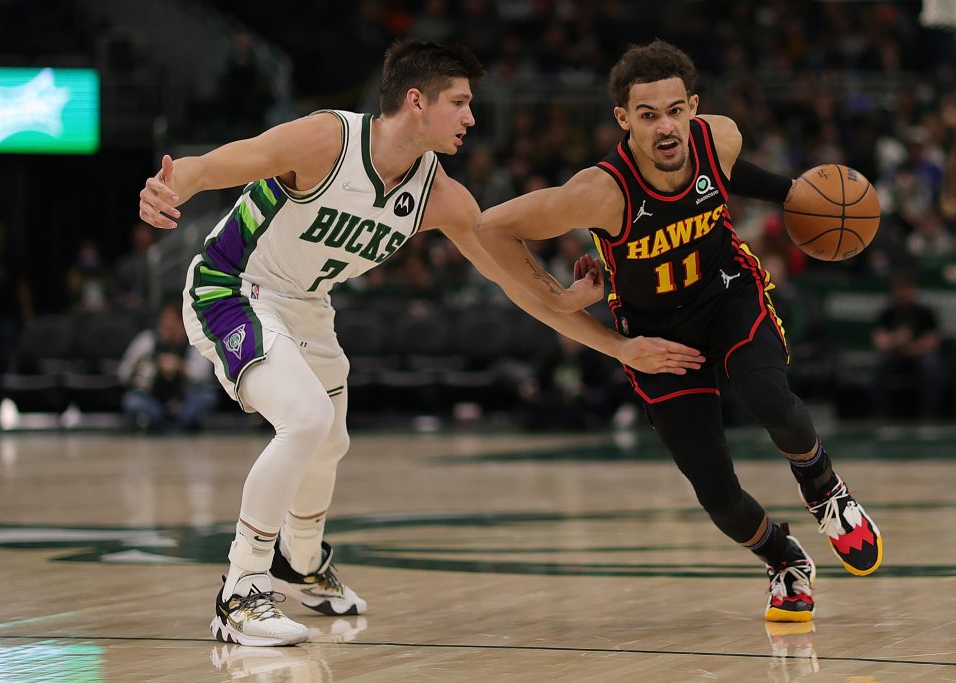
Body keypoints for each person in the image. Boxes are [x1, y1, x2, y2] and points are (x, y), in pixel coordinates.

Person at [138, 39, 702, 647]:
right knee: (304, 420)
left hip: (306, 306)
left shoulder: (441, 197)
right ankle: (240, 592)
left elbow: (512, 279)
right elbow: (227, 162)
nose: (471, 117)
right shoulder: (330, 139)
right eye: (459, 103)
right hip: (232, 286)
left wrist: (578, 313)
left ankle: (299, 566)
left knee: (329, 442)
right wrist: (174, 184)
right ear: (417, 101)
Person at [476, 39, 882, 623]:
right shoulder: (599, 192)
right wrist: (561, 299)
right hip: (656, 335)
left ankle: (825, 491)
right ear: (624, 120)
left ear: (693, 106)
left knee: (769, 396)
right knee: (718, 496)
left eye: (674, 111)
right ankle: (783, 559)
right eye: (647, 116)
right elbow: (491, 229)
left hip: (726, 293)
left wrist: (793, 194)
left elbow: (727, 174)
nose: (665, 127)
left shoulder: (720, 137)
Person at [117, 299, 217, 431]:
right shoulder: (148, 339)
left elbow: (203, 375)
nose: (168, 327)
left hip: (183, 400)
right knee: (132, 400)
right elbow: (123, 373)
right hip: (153, 398)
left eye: (173, 324)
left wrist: (179, 366)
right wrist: (148, 364)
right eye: (166, 322)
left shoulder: (194, 341)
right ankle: (165, 424)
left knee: (207, 397)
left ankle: (174, 426)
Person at [871, 272, 945, 418]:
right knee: (879, 364)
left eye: (906, 290)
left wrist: (913, 347)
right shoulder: (889, 312)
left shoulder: (924, 312)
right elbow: (879, 341)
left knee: (931, 365)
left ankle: (928, 415)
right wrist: (897, 339)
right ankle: (882, 416)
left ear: (913, 290)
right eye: (899, 290)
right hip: (895, 354)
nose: (903, 294)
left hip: (918, 355)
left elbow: (933, 341)